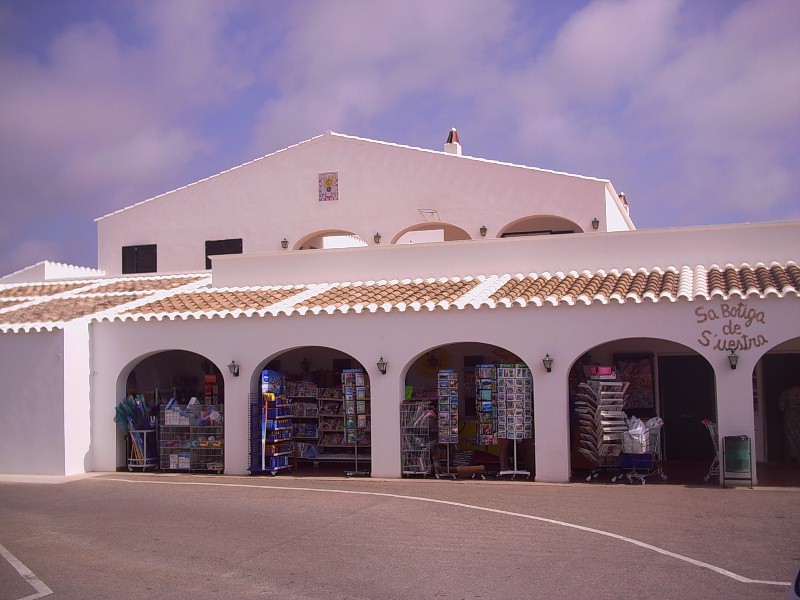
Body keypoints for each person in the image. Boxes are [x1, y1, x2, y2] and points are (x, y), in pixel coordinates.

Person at [779, 379, 800, 463]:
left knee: (790, 435)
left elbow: (781, 407)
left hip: (789, 415)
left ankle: (794, 455)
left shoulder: (785, 393)